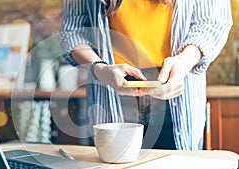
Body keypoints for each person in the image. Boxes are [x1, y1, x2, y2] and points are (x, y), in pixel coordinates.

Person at [59, 0, 232, 150]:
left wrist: (183, 62)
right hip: (111, 88)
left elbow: (212, 22)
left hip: (174, 85)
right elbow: (74, 30)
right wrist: (100, 68)